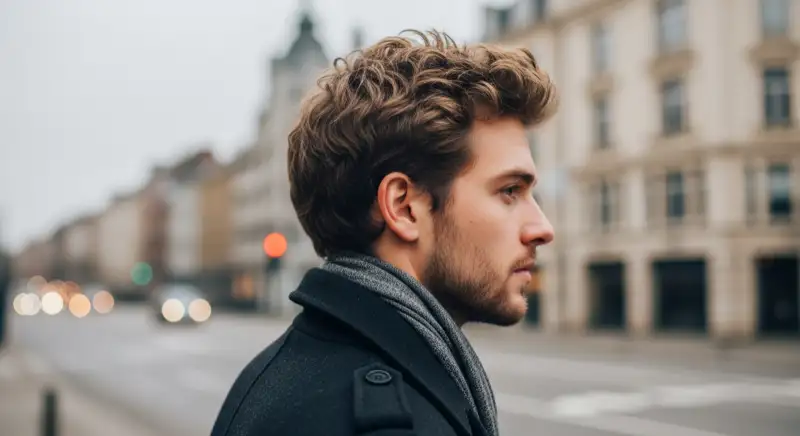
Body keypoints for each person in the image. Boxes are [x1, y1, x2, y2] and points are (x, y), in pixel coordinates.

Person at [211, 29, 556, 436]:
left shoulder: (277, 371)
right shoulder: (390, 424)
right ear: (404, 207)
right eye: (509, 191)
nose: (543, 229)